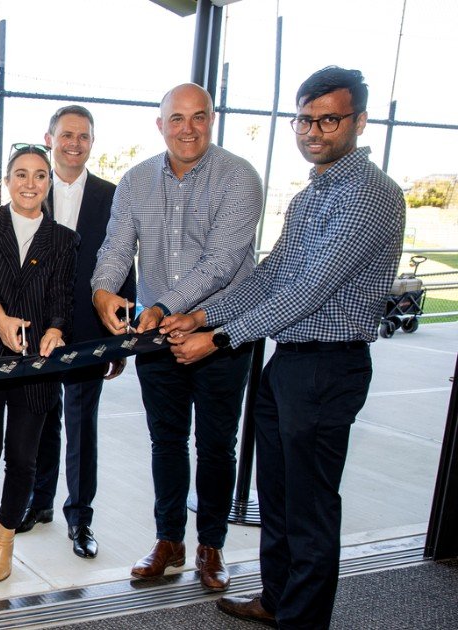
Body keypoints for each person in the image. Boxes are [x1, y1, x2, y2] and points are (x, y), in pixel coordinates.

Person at [161, 67, 405, 628]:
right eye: (304, 118)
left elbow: (310, 288)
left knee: (310, 510)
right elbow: (271, 277)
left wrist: (218, 338)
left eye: (329, 118)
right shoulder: (313, 194)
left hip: (329, 366)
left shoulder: (371, 196)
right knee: (276, 497)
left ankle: (302, 620)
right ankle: (277, 600)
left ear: (358, 122)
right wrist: (198, 312)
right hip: (289, 363)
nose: (313, 130)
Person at [90, 83, 262, 592]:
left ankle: (211, 546)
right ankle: (169, 541)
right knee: (166, 441)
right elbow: (117, 247)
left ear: (212, 120)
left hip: (221, 331)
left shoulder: (240, 178)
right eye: (177, 119)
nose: (188, 128)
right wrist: (102, 289)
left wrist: (165, 305)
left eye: (199, 117)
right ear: (160, 124)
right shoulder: (137, 180)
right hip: (156, 338)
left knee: (215, 445)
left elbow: (222, 264)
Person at [18, 106, 135, 561]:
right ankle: (40, 502)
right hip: (38, 327)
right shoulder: (30, 189)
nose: (74, 143)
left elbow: (124, 259)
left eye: (83, 136)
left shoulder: (113, 196)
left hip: (90, 328)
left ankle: (80, 515)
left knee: (82, 423)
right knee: (42, 417)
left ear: (91, 143)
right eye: (66, 134)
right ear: (49, 137)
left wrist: (120, 337)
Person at [0, 144, 77, 582]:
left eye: (40, 175)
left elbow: (63, 296)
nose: (31, 183)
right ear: (6, 181)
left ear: (49, 183)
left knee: (23, 459)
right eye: (21, 174)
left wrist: (56, 329)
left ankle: (4, 538)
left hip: (37, 366)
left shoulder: (64, 239)